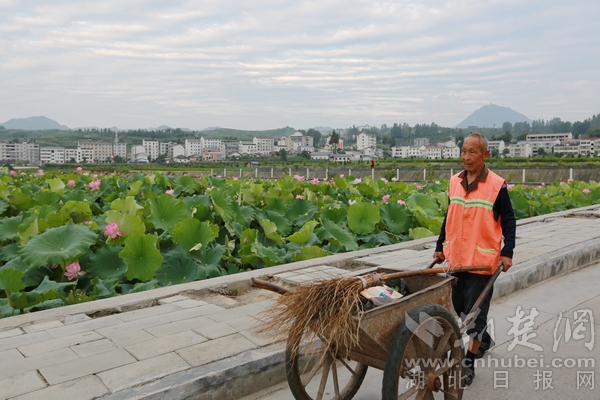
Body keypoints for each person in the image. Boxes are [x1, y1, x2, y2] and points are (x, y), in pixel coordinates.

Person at [433, 133, 516, 386]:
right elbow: (450, 216)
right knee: (459, 308)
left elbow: (509, 220)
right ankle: (484, 339)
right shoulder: (455, 182)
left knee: (474, 315)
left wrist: (507, 252)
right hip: (457, 259)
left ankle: (468, 361)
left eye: (472, 152)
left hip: (481, 262)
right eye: (464, 152)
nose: (466, 157)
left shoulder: (496, 185)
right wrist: (439, 247)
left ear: (485, 155)